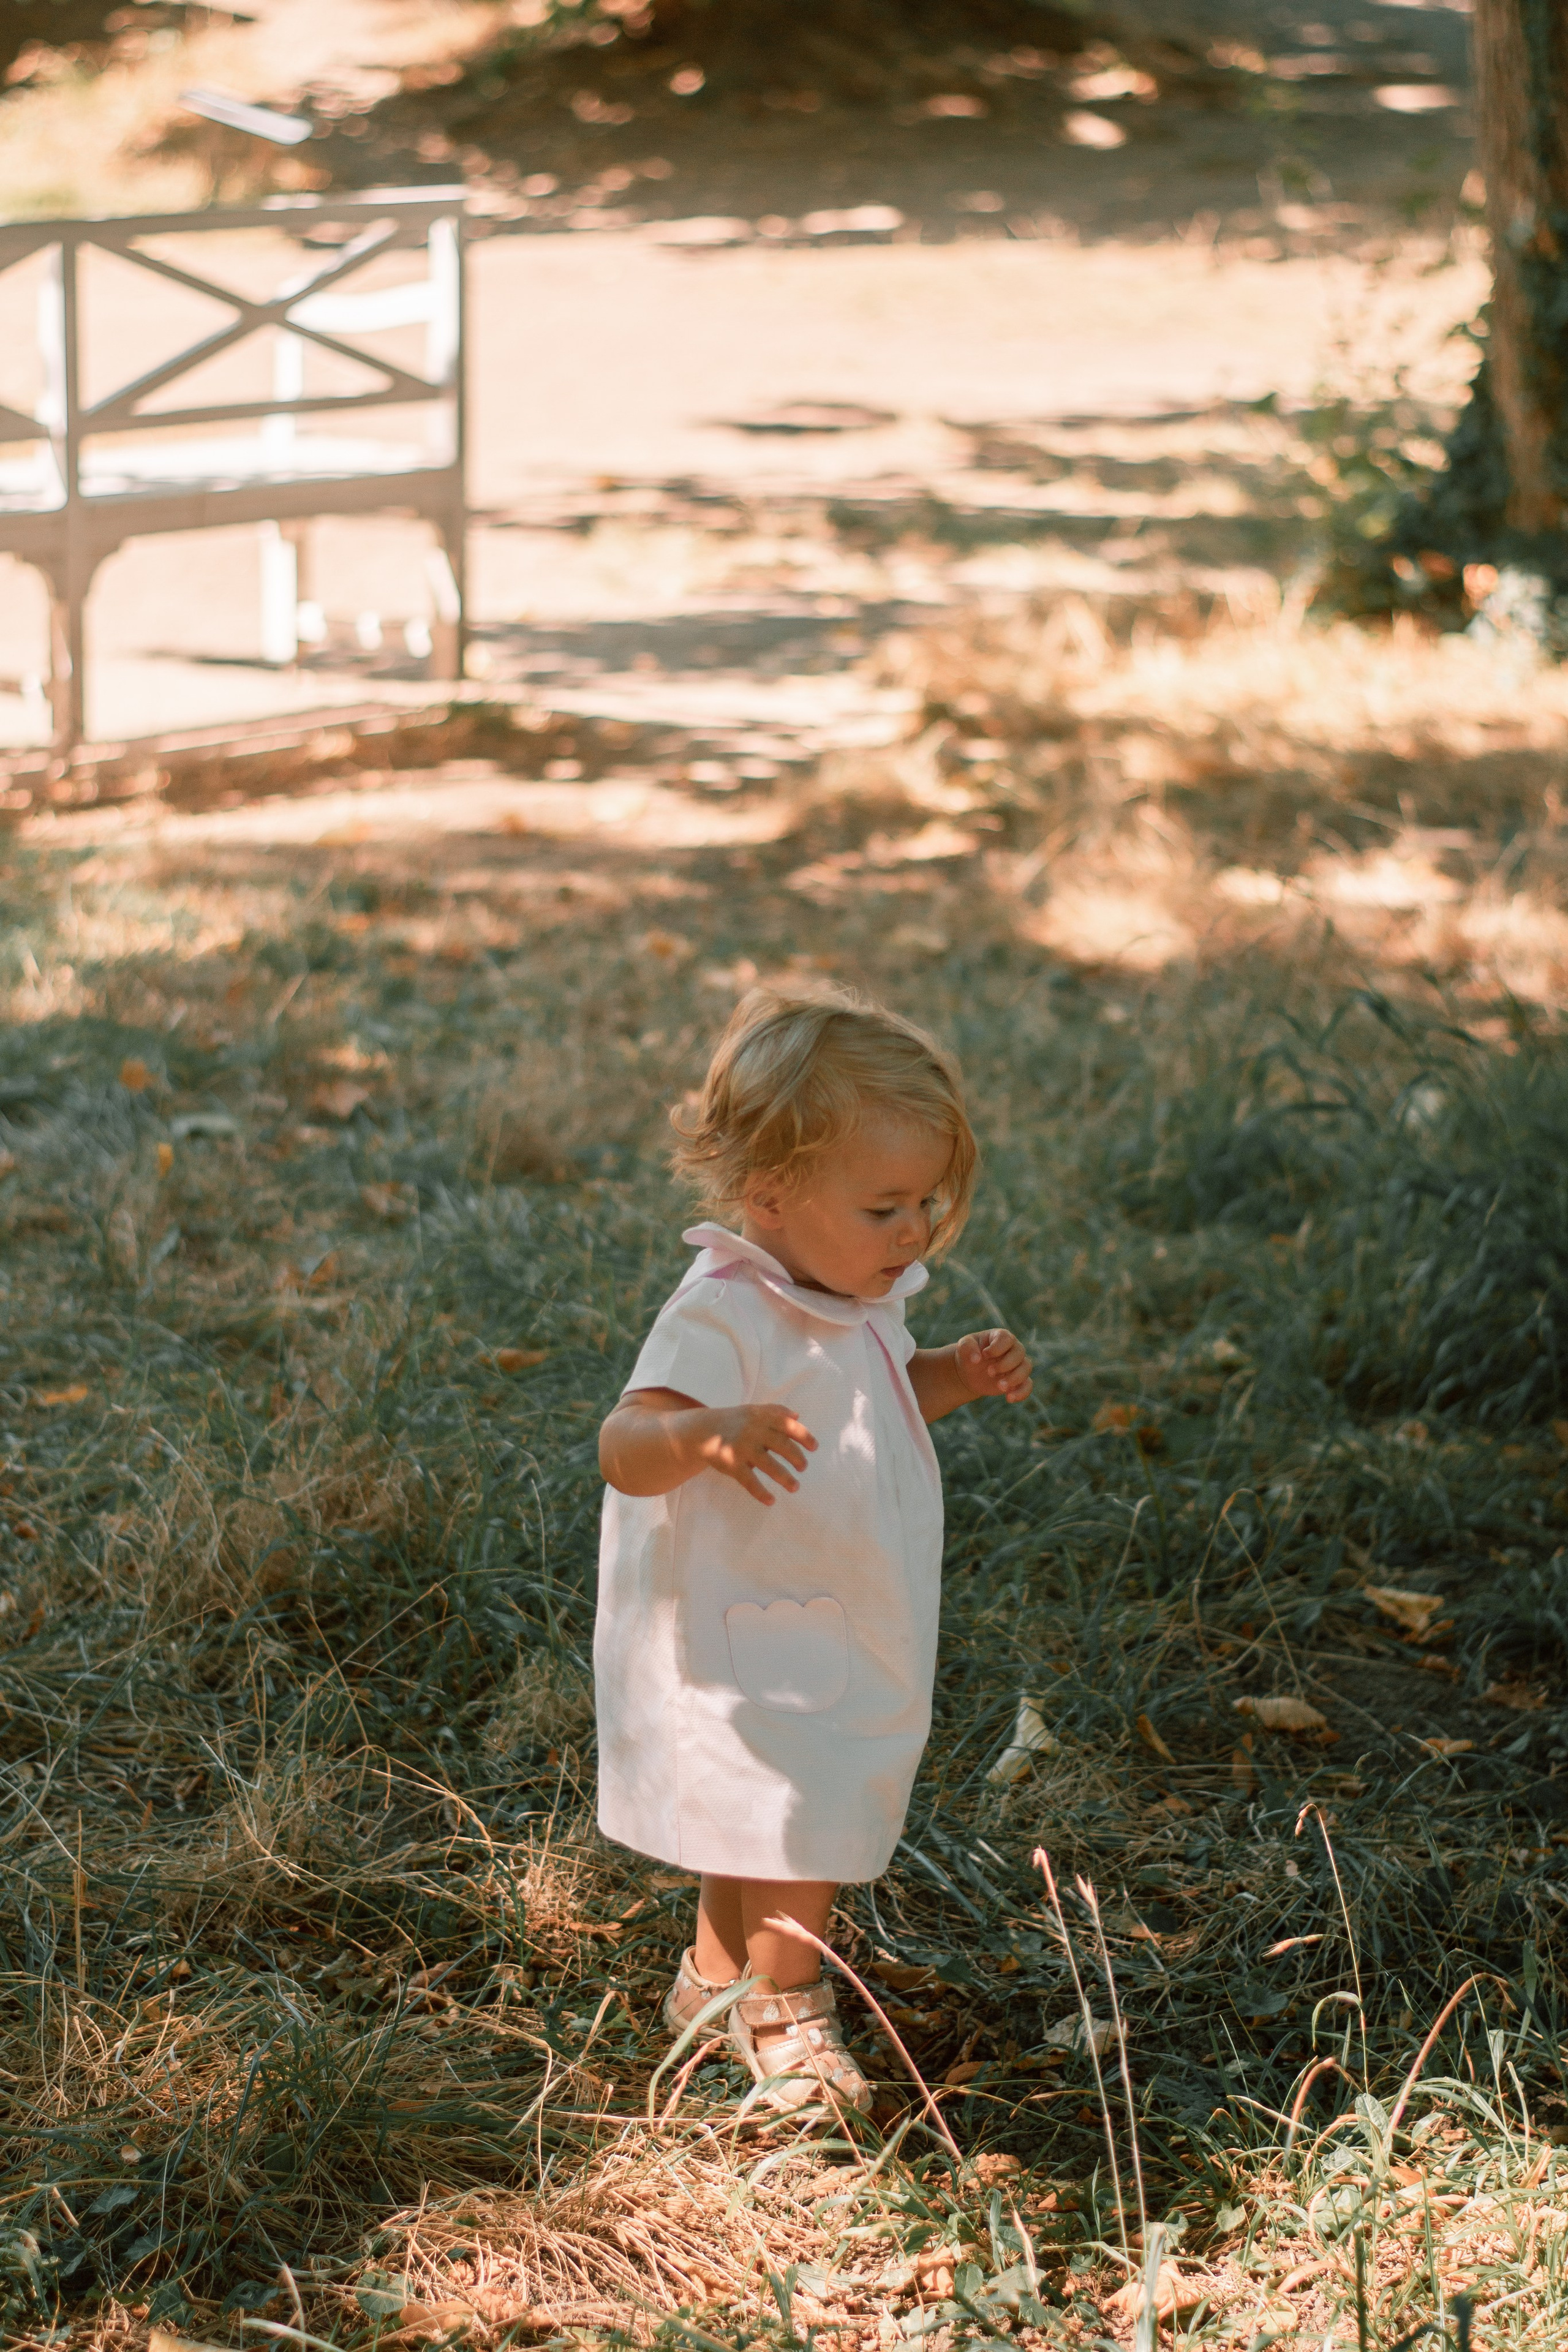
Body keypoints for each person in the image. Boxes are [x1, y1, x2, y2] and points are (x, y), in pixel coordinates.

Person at [595, 984, 1032, 2115]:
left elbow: (869, 1408)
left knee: (759, 1795)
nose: (919, 1231)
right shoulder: (725, 1311)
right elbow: (624, 1443)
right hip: (742, 1604)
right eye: (887, 1206)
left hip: (823, 1599)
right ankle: (788, 2011)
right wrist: (705, 1432)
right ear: (772, 1197)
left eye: (930, 1202)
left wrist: (951, 1376)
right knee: (807, 1799)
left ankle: (713, 1976)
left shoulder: (856, 1292)